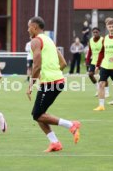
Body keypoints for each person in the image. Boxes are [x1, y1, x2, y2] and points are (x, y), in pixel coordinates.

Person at [26, 16, 81, 152]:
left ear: (34, 27)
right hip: (56, 81)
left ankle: (71, 125)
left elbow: (37, 66)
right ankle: (55, 143)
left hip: (50, 83)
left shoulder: (35, 41)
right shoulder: (49, 40)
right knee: (38, 113)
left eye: (29, 27)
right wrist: (55, 74)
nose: (28, 30)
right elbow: (63, 63)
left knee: (37, 115)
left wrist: (30, 85)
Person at [86, 27, 110, 97]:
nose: (95, 33)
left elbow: (105, 51)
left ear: (99, 32)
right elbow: (90, 51)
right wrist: (87, 61)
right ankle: (98, 89)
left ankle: (107, 92)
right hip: (93, 61)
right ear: (92, 33)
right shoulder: (90, 40)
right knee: (90, 74)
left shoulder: (103, 40)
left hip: (102, 61)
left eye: (96, 32)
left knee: (103, 77)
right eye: (94, 32)